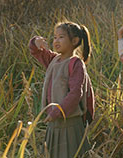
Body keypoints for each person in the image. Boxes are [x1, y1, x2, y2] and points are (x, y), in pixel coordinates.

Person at [29, 22, 94, 158]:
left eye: (61, 37)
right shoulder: (54, 60)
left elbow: (75, 93)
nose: (56, 41)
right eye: (54, 37)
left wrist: (58, 111)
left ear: (74, 41)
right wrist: (36, 41)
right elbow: (36, 51)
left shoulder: (75, 64)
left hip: (69, 124)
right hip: (54, 123)